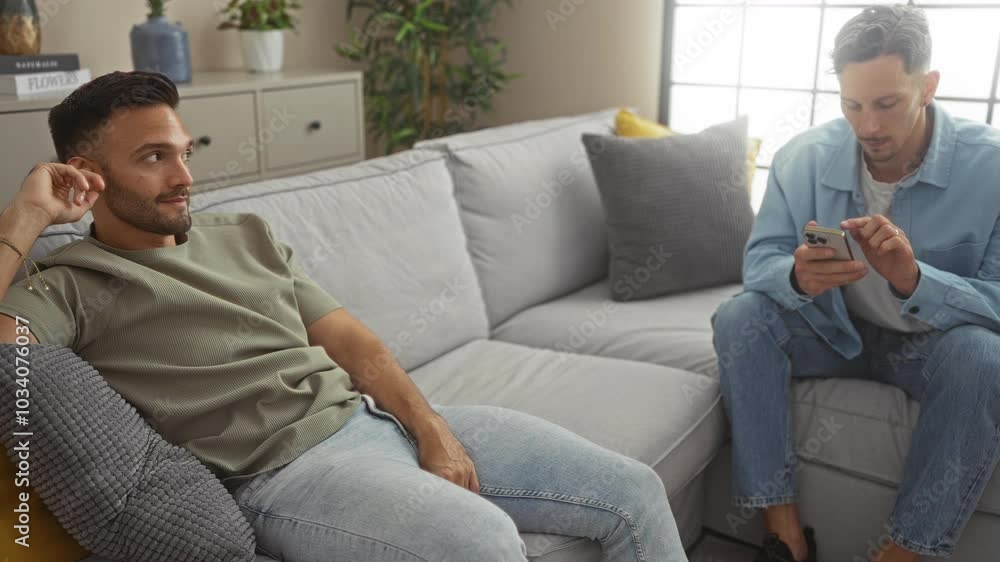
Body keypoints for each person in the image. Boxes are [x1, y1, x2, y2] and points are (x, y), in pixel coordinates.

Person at [0, 70, 689, 562]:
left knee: (633, 489)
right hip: (282, 476)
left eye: (185, 152)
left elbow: (353, 343)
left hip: (371, 420)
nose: (184, 176)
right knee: (480, 543)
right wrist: (28, 215)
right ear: (85, 174)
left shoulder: (244, 232)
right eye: (154, 158)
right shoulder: (67, 288)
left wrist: (431, 427)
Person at [711, 4, 1000, 562]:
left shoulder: (990, 170)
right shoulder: (803, 157)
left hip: (930, 348)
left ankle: (902, 553)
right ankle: (786, 539)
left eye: (887, 104)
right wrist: (795, 274)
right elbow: (760, 260)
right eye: (853, 105)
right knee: (740, 315)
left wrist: (917, 279)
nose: (868, 126)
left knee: (985, 356)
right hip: (832, 331)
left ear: (928, 86)